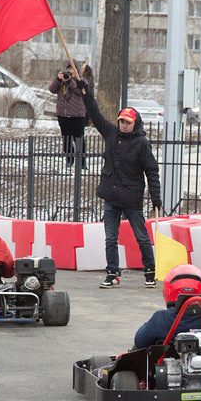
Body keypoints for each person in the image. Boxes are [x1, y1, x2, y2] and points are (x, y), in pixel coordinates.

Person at [77, 78, 162, 289]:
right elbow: (95, 115)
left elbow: (152, 171)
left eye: (128, 122)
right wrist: (86, 94)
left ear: (135, 123)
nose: (124, 125)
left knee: (141, 237)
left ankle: (150, 270)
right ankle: (112, 272)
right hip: (111, 195)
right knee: (110, 238)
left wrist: (156, 197)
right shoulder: (111, 132)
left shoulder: (142, 143)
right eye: (122, 121)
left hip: (131, 198)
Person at [133, 265, 201, 348]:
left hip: (168, 361)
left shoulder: (160, 318)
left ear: (168, 291)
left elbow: (140, 342)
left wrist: (146, 325)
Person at [48, 63, 93, 169]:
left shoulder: (81, 80)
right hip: (63, 115)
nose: (70, 71)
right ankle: (69, 160)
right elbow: (52, 89)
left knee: (79, 139)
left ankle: (82, 162)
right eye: (68, 69)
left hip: (77, 115)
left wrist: (70, 82)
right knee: (66, 139)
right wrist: (58, 80)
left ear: (76, 70)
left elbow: (80, 92)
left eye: (72, 68)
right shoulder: (62, 80)